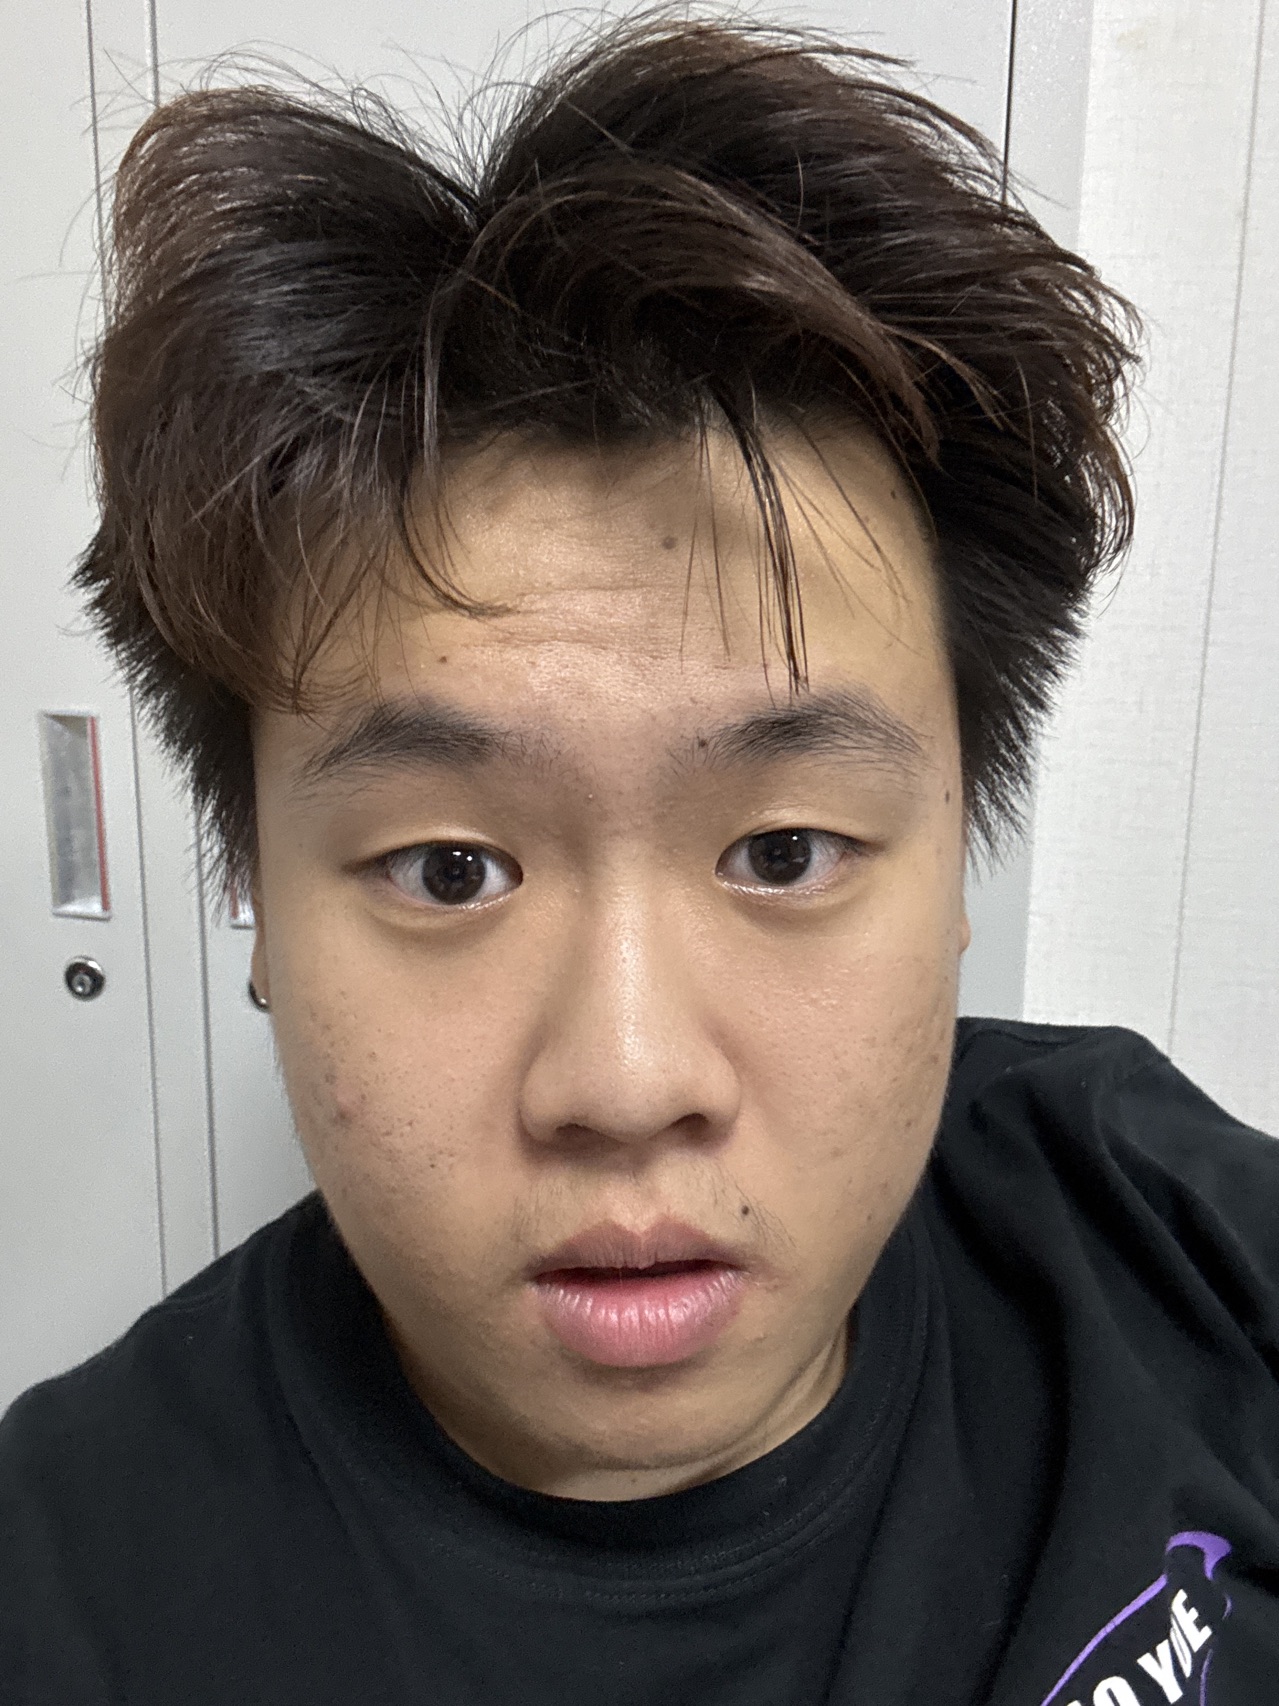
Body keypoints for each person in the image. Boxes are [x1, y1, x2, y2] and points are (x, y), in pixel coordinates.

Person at [2, 13, 1277, 1704]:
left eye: (784, 848)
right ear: (260, 908)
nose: (627, 1080)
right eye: (449, 868)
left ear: (959, 869)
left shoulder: (1158, 1223)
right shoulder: (66, 1591)